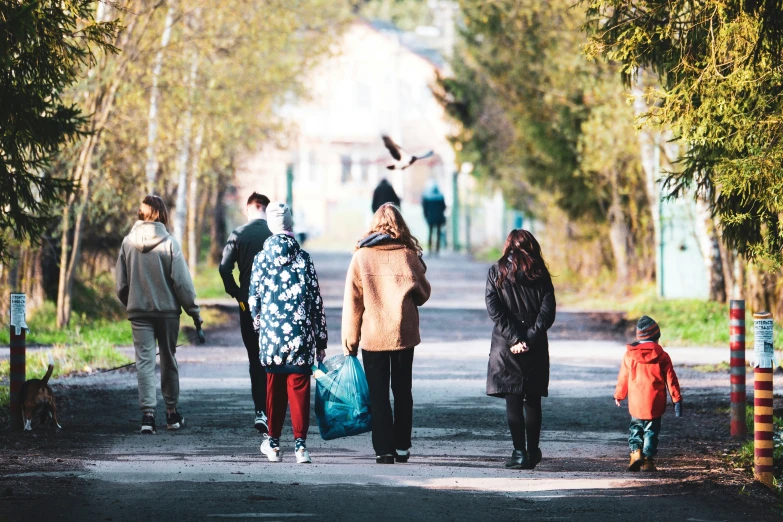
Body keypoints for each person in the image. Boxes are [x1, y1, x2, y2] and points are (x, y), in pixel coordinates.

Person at [342, 203, 431, 464]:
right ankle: (402, 446)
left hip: (373, 335)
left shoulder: (361, 256)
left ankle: (384, 450)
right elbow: (423, 294)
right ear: (400, 224)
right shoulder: (408, 254)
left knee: (378, 394)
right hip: (403, 334)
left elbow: (353, 301)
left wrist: (350, 340)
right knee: (403, 391)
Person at [116, 195, 202, 434]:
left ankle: (147, 416)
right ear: (162, 214)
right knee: (168, 359)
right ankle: (172, 414)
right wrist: (194, 313)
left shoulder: (127, 243)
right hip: (167, 312)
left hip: (139, 312)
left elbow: (121, 285)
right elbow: (182, 284)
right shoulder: (170, 243)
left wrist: (133, 302)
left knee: (144, 361)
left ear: (141, 213)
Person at [248, 202, 327, 464]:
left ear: (271, 226)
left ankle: (273, 444)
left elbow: (253, 300)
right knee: (299, 388)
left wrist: (260, 328)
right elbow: (316, 301)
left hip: (271, 337)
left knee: (274, 389)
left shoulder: (260, 260)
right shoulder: (304, 258)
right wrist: (321, 338)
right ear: (291, 224)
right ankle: (301, 446)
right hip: (300, 337)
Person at [485, 229, 555, 470]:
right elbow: (548, 312)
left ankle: (518, 453)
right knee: (532, 399)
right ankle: (533, 451)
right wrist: (530, 338)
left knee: (513, 398)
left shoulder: (497, 271)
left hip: (506, 344)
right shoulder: (541, 273)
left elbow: (494, 309)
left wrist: (514, 338)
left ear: (508, 246)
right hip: (534, 346)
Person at [219, 192, 272, 434]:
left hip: (247, 306)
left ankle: (260, 410)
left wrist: (236, 292)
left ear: (249, 209)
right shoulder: (275, 235)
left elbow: (224, 268)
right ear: (266, 210)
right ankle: (274, 408)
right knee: (274, 358)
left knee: (255, 357)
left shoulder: (238, 235)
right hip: (275, 306)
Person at [614, 316, 682, 472]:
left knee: (636, 427)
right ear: (656, 337)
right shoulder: (663, 356)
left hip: (636, 401)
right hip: (655, 401)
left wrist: (619, 395)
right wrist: (676, 400)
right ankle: (648, 460)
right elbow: (671, 379)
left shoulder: (629, 355)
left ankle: (635, 453)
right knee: (651, 430)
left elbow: (623, 377)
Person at [421, 181, 446, 255]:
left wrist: (426, 216)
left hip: (430, 218)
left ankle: (430, 249)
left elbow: (425, 208)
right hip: (439, 218)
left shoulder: (427, 197)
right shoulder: (440, 196)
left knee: (430, 233)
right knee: (438, 233)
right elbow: (443, 207)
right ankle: (437, 250)